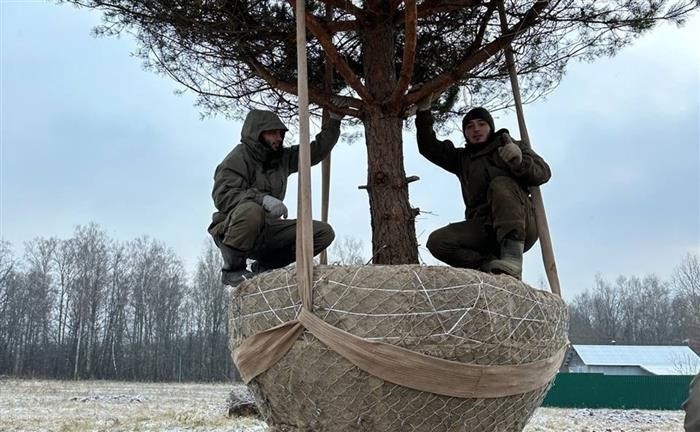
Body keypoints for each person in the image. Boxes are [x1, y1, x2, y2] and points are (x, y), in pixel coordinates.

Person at [415, 99, 551, 279]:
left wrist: (520, 161)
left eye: (481, 124)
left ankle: (512, 258)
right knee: (438, 242)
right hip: (485, 228)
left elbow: (543, 173)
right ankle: (488, 266)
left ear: (490, 127)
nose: (476, 129)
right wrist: (423, 112)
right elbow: (429, 147)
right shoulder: (462, 159)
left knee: (500, 184)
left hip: (522, 223)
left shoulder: (510, 145)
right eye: (469, 127)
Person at [208, 108, 342, 285]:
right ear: (257, 134)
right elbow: (223, 195)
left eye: (280, 133)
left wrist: (334, 121)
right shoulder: (238, 158)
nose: (278, 138)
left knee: (321, 233)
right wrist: (262, 199)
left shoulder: (281, 158)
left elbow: (314, 152)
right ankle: (232, 270)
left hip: (267, 230)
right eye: (272, 133)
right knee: (252, 211)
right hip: (234, 229)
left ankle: (265, 266)